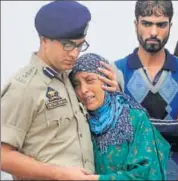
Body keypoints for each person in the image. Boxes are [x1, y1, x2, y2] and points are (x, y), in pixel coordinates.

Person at [1, 1, 117, 180]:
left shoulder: (73, 79)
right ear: (44, 40)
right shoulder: (23, 87)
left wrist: (112, 95)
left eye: (79, 45)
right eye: (68, 45)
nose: (74, 53)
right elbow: (3, 155)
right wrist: (59, 173)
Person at [102, 0, 178, 180]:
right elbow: (113, 134)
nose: (153, 32)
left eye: (161, 25)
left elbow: (128, 125)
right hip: (131, 173)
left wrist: (125, 108)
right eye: (146, 23)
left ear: (170, 26)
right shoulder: (115, 72)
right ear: (136, 24)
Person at [69, 53, 170, 180]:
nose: (83, 90)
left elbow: (145, 173)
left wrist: (94, 179)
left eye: (90, 80)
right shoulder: (81, 121)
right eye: (76, 84)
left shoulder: (133, 117)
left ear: (107, 80)